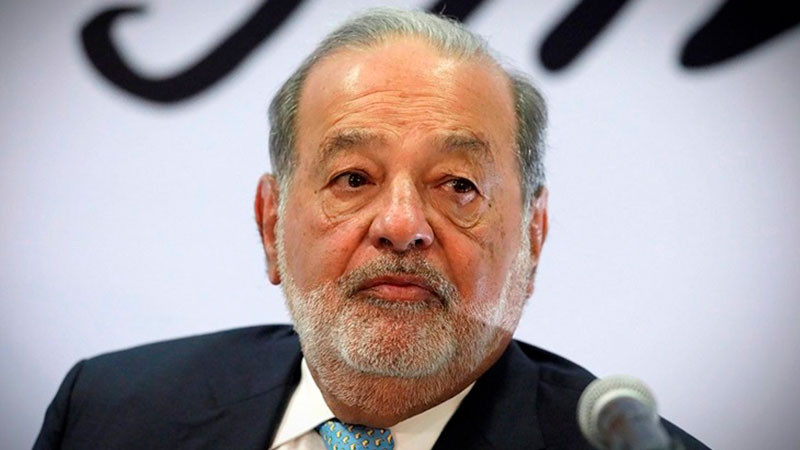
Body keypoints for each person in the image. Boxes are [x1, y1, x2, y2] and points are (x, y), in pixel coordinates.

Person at [34, 8, 708, 450]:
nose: (401, 225)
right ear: (270, 225)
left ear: (533, 238)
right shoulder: (110, 412)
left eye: (458, 185)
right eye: (353, 178)